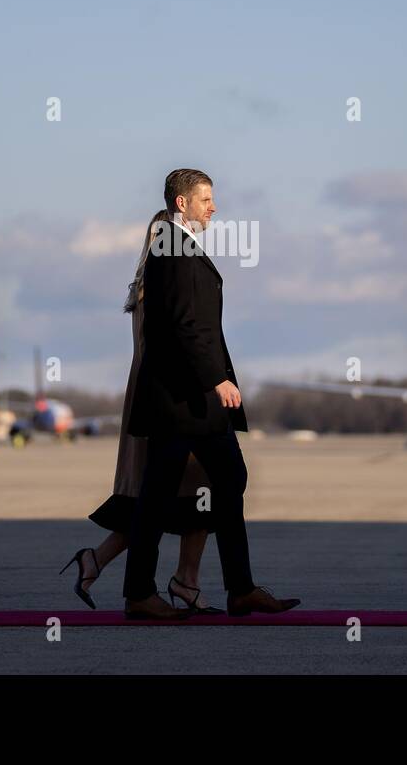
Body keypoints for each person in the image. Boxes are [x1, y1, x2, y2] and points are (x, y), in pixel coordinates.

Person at [121, 168, 299, 620]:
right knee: (165, 494)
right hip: (183, 398)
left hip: (192, 400)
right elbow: (183, 325)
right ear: (182, 203)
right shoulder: (172, 247)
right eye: (205, 200)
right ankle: (143, 593)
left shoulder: (179, 245)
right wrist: (216, 379)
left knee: (225, 480)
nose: (213, 207)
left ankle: (239, 589)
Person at [63, 209, 221, 614]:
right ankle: (184, 581)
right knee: (193, 491)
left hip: (151, 393)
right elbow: (179, 343)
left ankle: (96, 561)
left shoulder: (142, 286)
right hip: (170, 397)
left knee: (158, 498)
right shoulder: (166, 283)